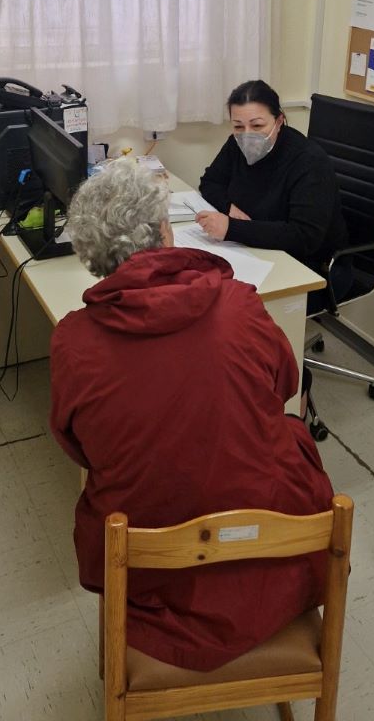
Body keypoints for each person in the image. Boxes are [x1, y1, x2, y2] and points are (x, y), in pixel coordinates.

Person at [50, 159, 334, 674]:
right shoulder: (239, 305)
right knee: (283, 436)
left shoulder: (73, 341)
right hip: (269, 564)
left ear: (89, 254)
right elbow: (284, 388)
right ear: (165, 232)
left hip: (147, 578)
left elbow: (78, 447)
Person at [198, 79, 352, 299]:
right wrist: (229, 207)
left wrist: (231, 228)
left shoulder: (309, 162)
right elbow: (210, 182)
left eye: (257, 126)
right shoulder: (236, 143)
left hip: (311, 267)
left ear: (279, 121)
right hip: (253, 249)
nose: (247, 135)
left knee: (223, 302)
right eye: (238, 126)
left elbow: (304, 237)